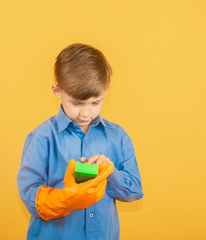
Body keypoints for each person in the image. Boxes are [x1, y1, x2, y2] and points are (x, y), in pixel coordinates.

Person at [17, 43, 143, 240]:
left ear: (106, 91)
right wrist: (68, 199)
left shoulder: (117, 137)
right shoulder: (42, 137)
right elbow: (30, 196)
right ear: (57, 91)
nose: (86, 113)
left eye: (95, 103)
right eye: (76, 103)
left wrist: (110, 173)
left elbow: (134, 190)